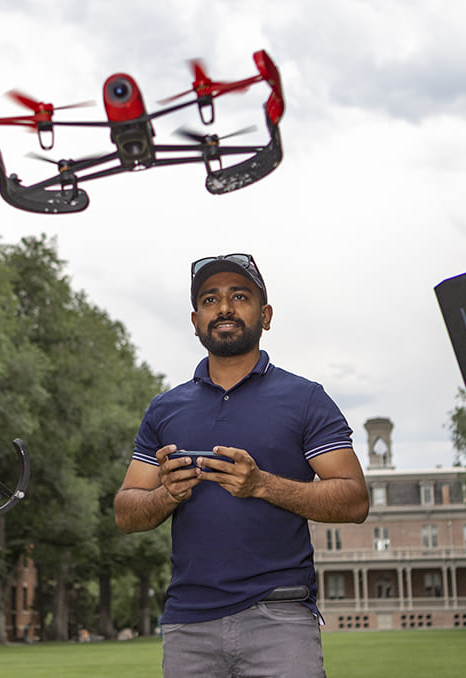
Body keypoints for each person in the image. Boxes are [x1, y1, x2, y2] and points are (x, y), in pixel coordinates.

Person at [114, 253, 369, 678]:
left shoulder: (306, 398)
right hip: (188, 621)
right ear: (196, 320)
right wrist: (166, 494)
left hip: (281, 617)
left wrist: (262, 485)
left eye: (240, 296)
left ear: (265, 315)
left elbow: (355, 500)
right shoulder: (165, 408)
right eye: (210, 300)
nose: (225, 308)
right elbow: (126, 513)